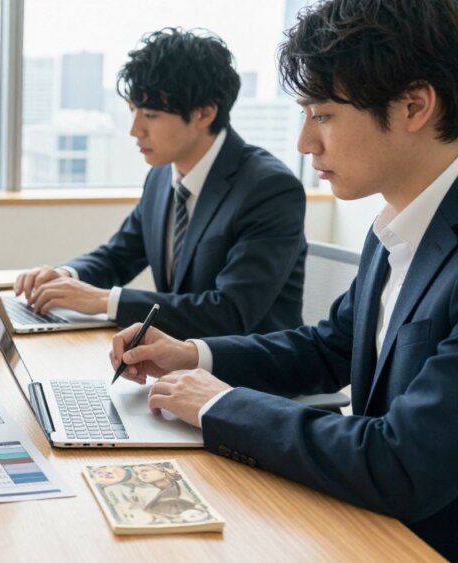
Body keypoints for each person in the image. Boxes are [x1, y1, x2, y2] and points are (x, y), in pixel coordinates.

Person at [109, 0, 458, 556]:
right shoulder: (395, 226)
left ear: (414, 105)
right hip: (368, 523)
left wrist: (219, 405)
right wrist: (193, 355)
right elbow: (329, 348)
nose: (304, 143)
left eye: (322, 115)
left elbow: (402, 462)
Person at [15, 28, 307, 339]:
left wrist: (103, 300)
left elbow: (230, 313)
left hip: (245, 376)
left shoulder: (270, 190)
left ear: (205, 113)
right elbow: (119, 255)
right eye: (132, 111)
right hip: (176, 364)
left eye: (151, 115)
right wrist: (65, 276)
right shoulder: (161, 176)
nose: (134, 130)